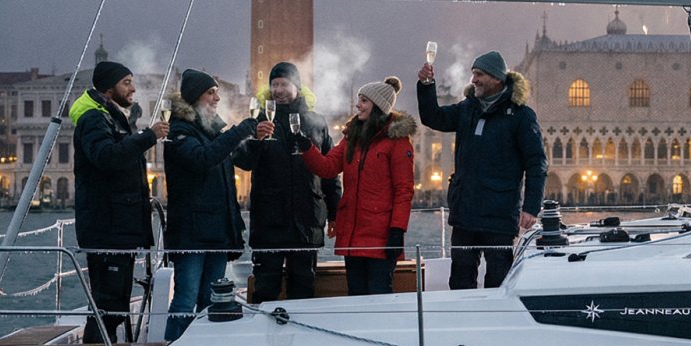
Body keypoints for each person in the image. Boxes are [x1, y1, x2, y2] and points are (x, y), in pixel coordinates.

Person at [417, 50, 547, 289]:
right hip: (465, 212)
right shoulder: (467, 109)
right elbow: (433, 118)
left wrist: (531, 207)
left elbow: (536, 163)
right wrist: (426, 86)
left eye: (479, 74)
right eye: (473, 74)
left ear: (496, 78)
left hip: (499, 216)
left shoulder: (521, 116)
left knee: (498, 280)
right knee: (460, 280)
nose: (473, 79)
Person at [163, 69, 273, 340]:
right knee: (186, 297)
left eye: (217, 92)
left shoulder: (212, 131)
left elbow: (244, 162)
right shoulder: (179, 131)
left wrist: (257, 141)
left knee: (212, 298)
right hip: (191, 231)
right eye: (211, 92)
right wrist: (238, 131)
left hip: (216, 229)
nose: (217, 98)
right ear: (195, 96)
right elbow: (202, 159)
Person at [70, 60, 169, 344]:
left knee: (116, 301)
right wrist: (148, 137)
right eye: (126, 82)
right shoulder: (94, 119)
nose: (133, 88)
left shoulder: (111, 118)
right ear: (108, 88)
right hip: (107, 226)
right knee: (108, 304)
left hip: (118, 226)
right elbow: (107, 157)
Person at [298, 77, 415, 296]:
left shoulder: (398, 141)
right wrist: (306, 147)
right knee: (356, 294)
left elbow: (404, 190)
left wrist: (397, 230)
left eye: (363, 101)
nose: (357, 105)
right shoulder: (351, 138)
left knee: (379, 292)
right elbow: (327, 167)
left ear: (377, 106)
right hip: (353, 233)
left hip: (381, 234)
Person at [234, 62, 339, 302]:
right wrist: (256, 140)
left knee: (303, 289)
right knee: (265, 289)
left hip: (306, 220)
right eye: (274, 85)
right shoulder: (257, 120)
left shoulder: (316, 121)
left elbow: (329, 171)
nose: (278, 90)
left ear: (297, 87)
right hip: (269, 221)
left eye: (284, 84)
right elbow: (242, 161)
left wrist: (334, 213)